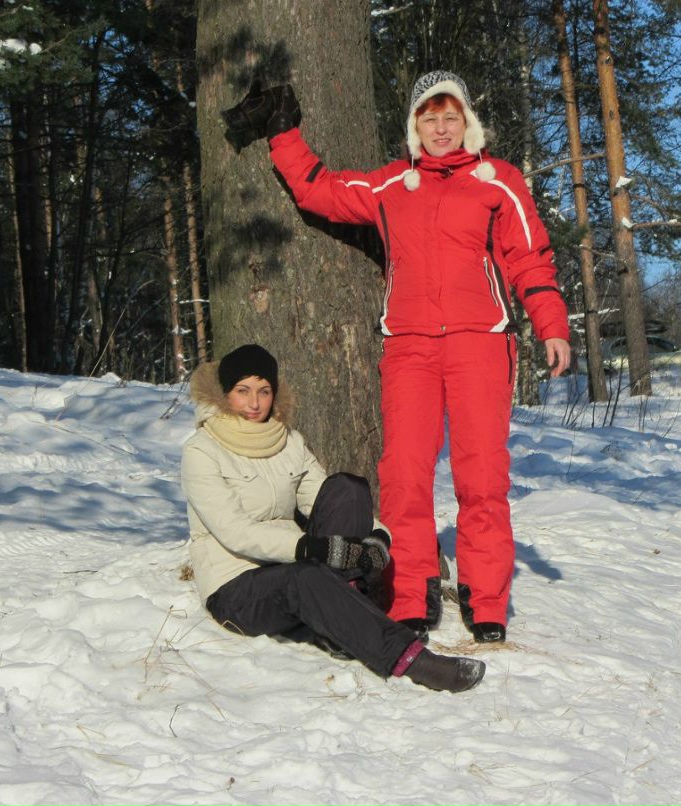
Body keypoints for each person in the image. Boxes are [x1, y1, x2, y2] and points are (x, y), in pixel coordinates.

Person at [222, 71, 571, 645]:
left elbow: (529, 257)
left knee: (481, 477)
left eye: (450, 116)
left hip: (480, 342)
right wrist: (283, 131)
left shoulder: (498, 182)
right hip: (408, 347)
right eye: (429, 118)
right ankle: (412, 593)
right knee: (405, 478)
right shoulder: (393, 187)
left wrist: (551, 324)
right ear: (415, 126)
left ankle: (487, 602)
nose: (440, 127)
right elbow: (320, 190)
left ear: (466, 122)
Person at [181, 343, 486, 692]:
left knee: (348, 488)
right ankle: (410, 658)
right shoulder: (201, 450)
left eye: (264, 391)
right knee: (306, 577)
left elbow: (322, 495)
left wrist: (378, 537)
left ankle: (341, 616)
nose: (254, 403)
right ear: (225, 395)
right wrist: (315, 549)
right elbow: (235, 532)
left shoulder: (288, 441)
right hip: (237, 587)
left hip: (292, 568)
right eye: (243, 391)